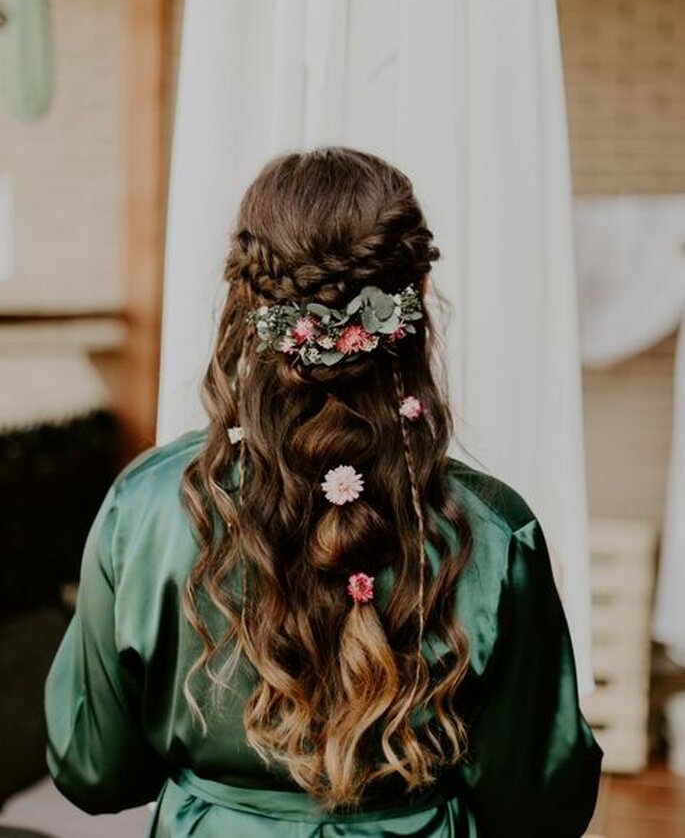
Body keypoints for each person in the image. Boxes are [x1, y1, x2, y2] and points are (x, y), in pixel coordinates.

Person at [44, 147, 603, 837]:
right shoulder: (491, 530)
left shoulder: (147, 507)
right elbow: (540, 802)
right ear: (418, 299)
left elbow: (92, 768)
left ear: (245, 304)